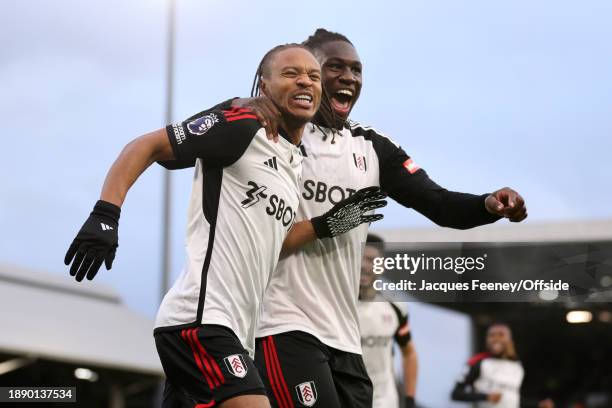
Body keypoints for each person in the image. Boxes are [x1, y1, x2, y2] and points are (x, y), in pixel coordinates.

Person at [64, 43, 383, 408]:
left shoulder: (294, 163)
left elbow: (275, 244)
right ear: (263, 86)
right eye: (291, 74)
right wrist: (106, 215)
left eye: (312, 76)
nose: (304, 82)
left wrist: (327, 225)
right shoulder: (243, 126)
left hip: (236, 335)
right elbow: (147, 146)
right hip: (200, 322)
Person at [229, 29, 528, 408]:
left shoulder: (372, 147)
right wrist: (240, 104)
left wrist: (488, 204)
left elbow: (439, 204)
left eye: (356, 70)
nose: (349, 77)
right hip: (282, 324)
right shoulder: (273, 132)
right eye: (334, 67)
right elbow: (192, 146)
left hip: (343, 334)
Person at [358, 233, 418, 408]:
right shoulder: (333, 306)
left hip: (384, 400)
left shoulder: (395, 307)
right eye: (359, 258)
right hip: (344, 398)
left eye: (371, 259)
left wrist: (410, 398)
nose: (364, 265)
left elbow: (409, 353)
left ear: (382, 266)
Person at [451, 323, 554, 408]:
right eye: (491, 335)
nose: (496, 339)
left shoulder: (517, 366)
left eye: (501, 335)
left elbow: (513, 399)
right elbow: (455, 394)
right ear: (487, 340)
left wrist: (538, 404)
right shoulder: (478, 362)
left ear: (509, 339)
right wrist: (485, 397)